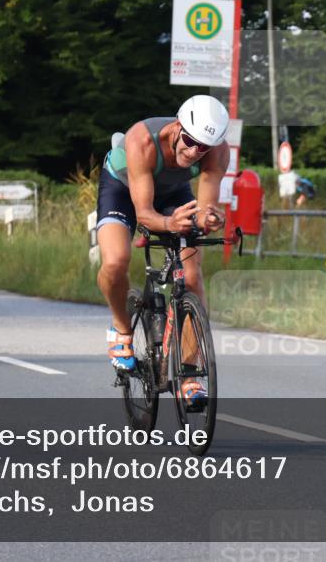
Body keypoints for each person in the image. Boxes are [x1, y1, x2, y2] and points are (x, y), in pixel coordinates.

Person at [96, 95, 229, 408]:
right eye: (190, 140)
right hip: (123, 191)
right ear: (177, 126)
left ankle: (191, 374)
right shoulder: (142, 139)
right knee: (116, 261)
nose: (195, 151)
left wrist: (209, 217)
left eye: (204, 147)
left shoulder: (216, 150)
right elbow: (144, 214)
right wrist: (170, 222)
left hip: (173, 194)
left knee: (192, 277)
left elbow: (205, 206)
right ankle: (121, 330)